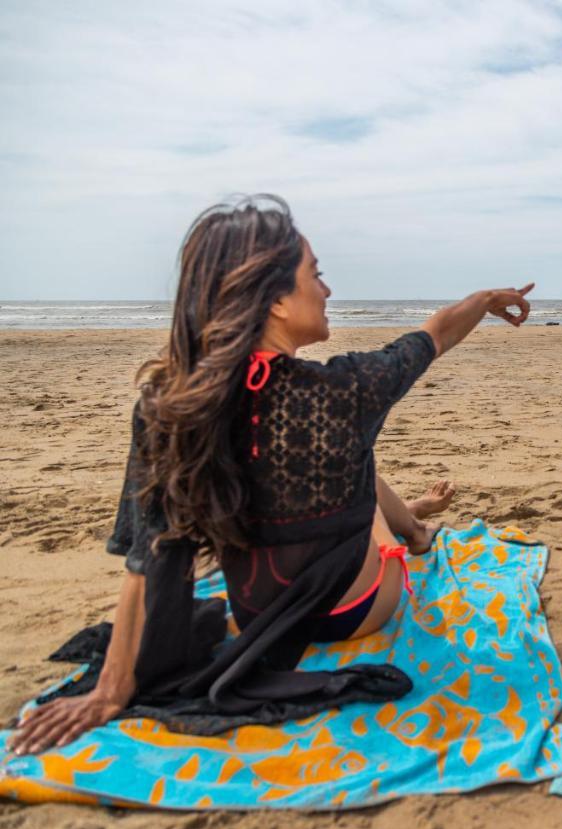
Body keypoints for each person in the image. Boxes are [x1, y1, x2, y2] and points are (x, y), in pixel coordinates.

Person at [9, 195, 533, 754]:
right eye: (317, 274)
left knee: (344, 459)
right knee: (358, 459)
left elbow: (149, 553)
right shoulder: (346, 391)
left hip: (254, 613)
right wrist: (485, 299)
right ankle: (415, 531)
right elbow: (435, 335)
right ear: (278, 300)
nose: (328, 290)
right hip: (356, 611)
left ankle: (412, 521)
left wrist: (113, 690)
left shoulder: (170, 406)